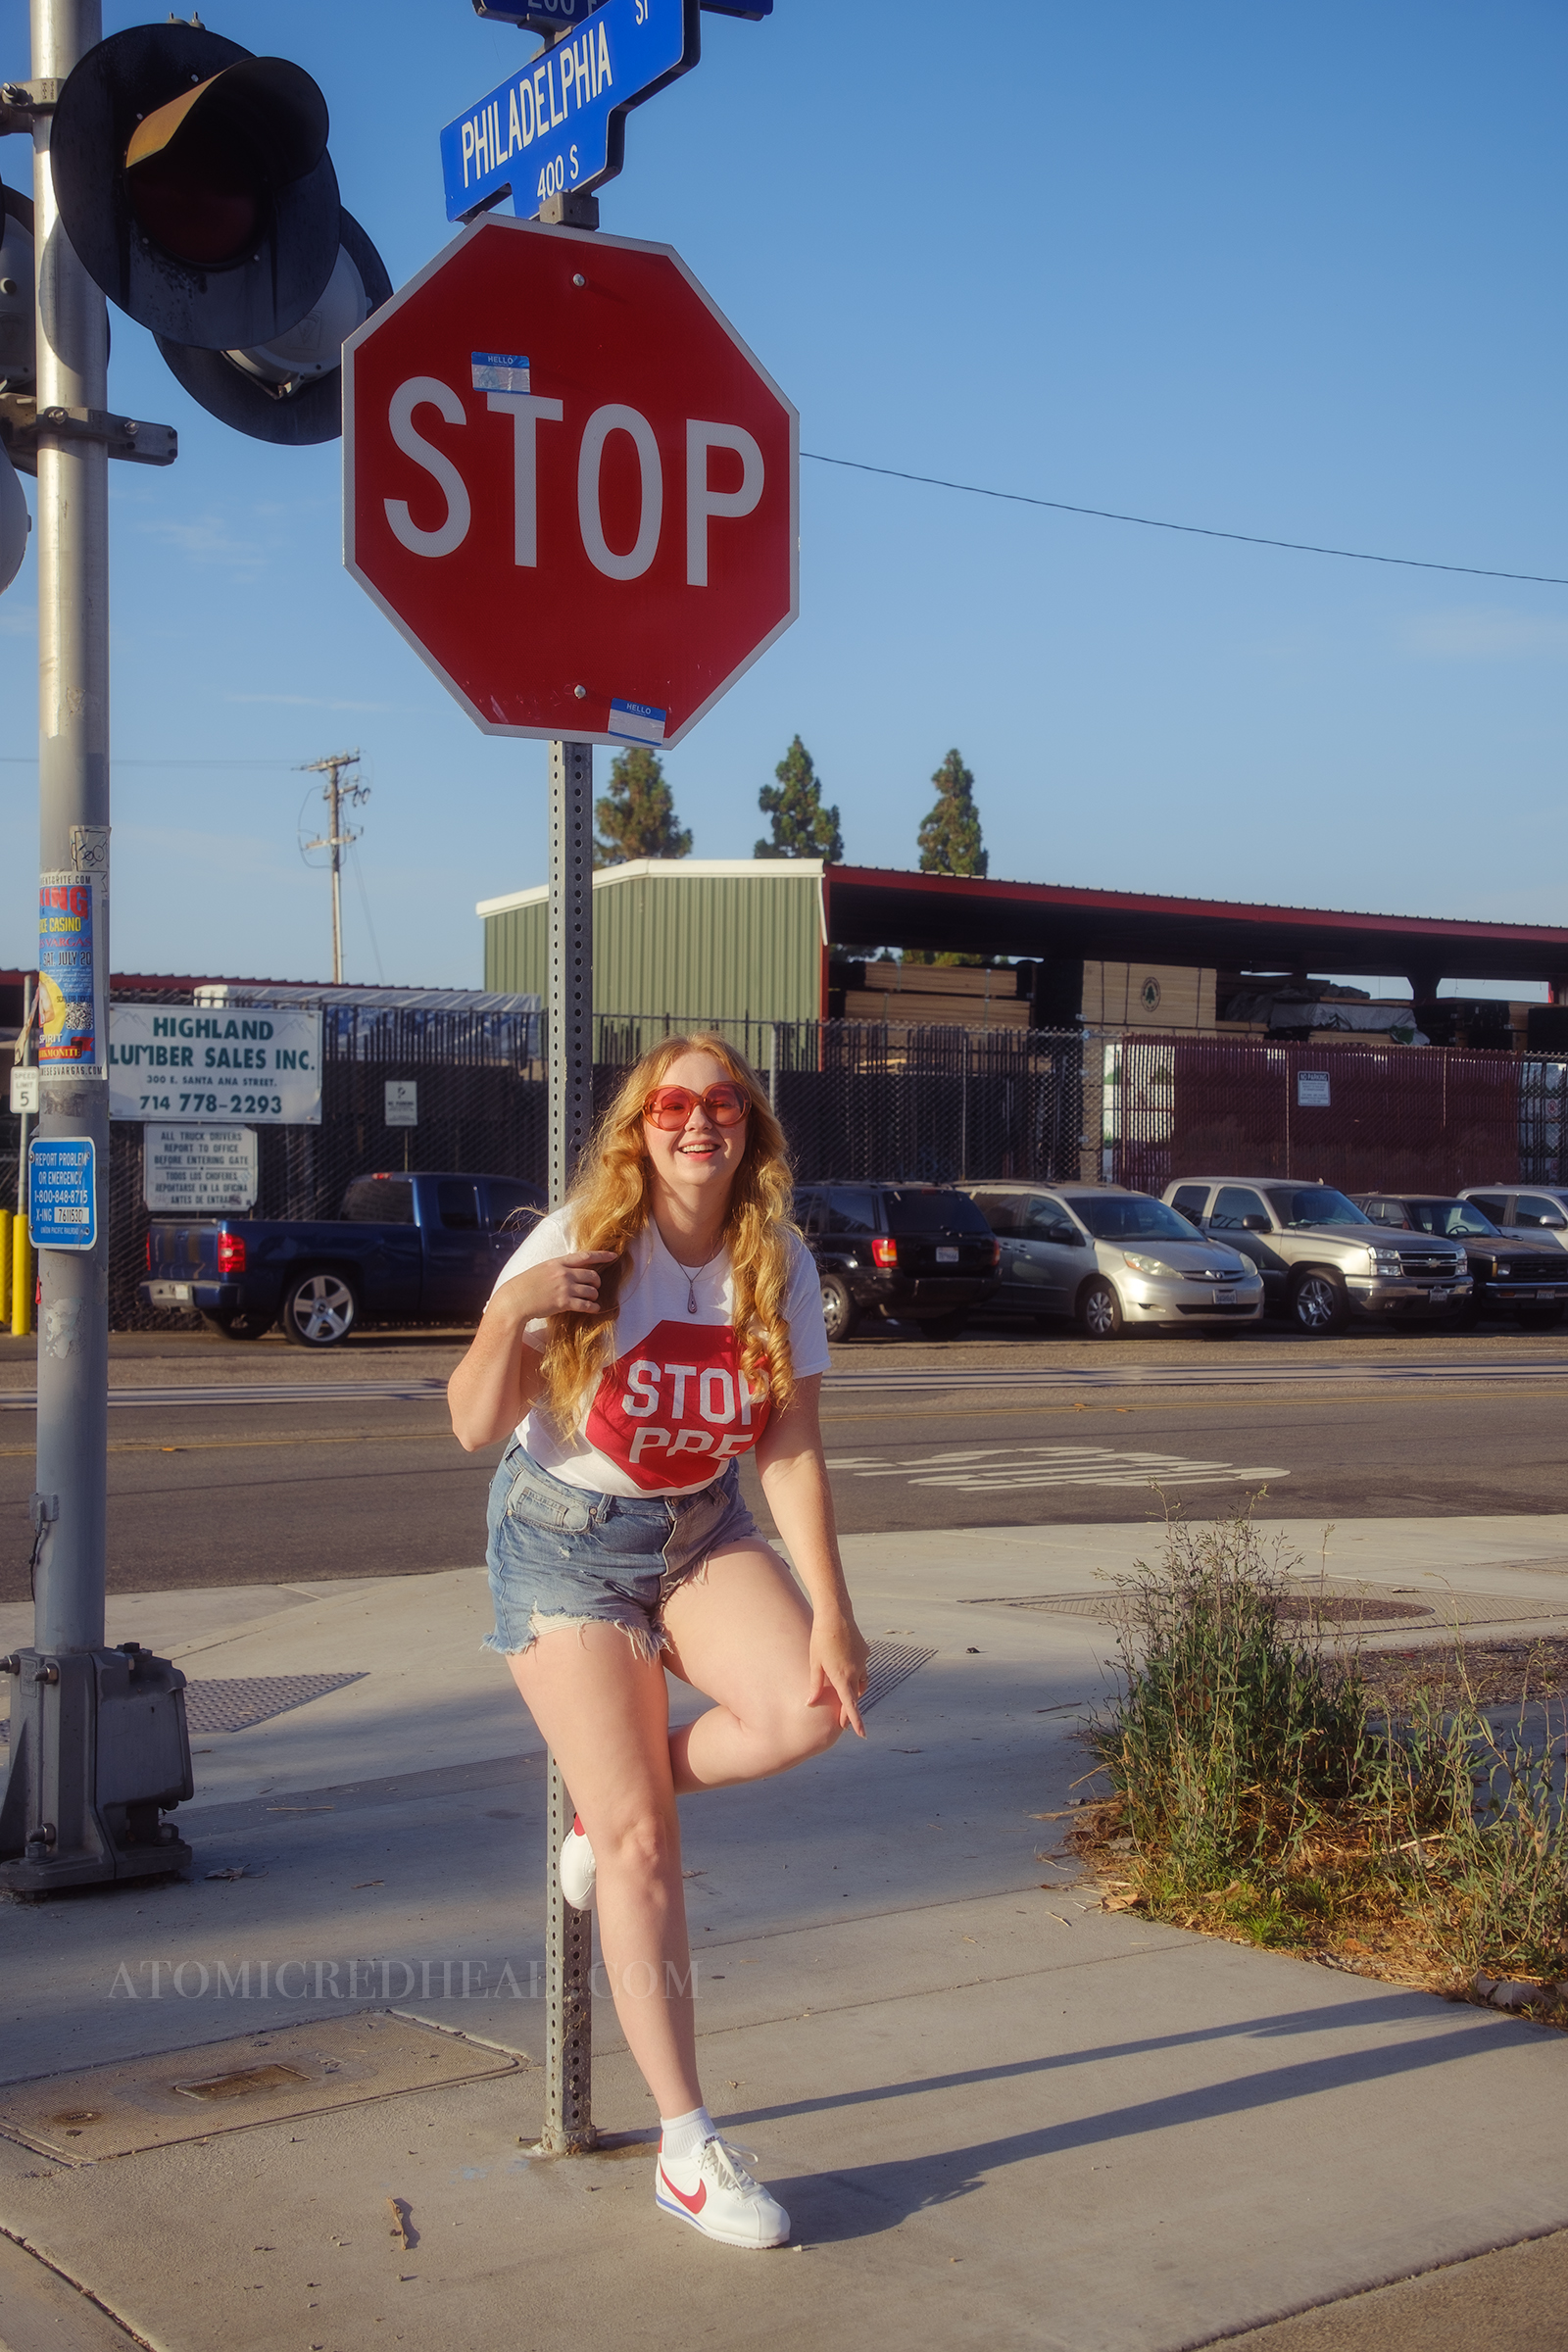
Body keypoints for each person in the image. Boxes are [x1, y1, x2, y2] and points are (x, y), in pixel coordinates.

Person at [448, 1034, 869, 2250]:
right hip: (563, 1541)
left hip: (698, 1526)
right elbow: (474, 1425)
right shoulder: (583, 1243)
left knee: (806, 1707)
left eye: (721, 1103)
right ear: (640, 1129)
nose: (698, 1122)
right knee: (644, 1848)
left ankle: (605, 1803)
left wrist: (833, 1609)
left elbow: (787, 1443)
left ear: (750, 1130)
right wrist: (512, 1311)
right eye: (672, 1105)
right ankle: (687, 2152)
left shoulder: (774, 1258)